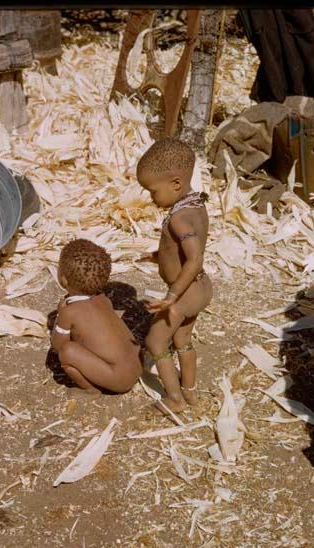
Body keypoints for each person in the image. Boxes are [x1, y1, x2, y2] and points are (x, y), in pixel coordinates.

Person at [137, 137, 213, 413]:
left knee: (155, 341)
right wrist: (159, 256)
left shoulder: (180, 218)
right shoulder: (195, 206)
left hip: (186, 292)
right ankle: (190, 391)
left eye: (152, 191)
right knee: (182, 339)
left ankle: (174, 398)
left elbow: (194, 258)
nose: (150, 197)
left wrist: (171, 297)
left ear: (176, 184)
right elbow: (184, 251)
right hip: (202, 288)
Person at [51, 239, 142, 397]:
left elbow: (57, 347)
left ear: (64, 279)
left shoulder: (69, 312)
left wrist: (60, 317)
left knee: (67, 352)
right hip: (137, 364)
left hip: (119, 380)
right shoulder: (103, 299)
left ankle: (90, 390)